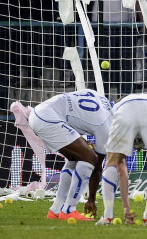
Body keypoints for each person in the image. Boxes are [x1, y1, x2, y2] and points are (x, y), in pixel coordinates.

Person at [28, 89, 112, 221]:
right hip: (49, 119)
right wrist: (91, 199)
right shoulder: (106, 125)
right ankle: (69, 209)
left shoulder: (98, 96)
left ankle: (56, 209)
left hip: (38, 112)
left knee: (75, 159)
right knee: (90, 158)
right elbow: (97, 166)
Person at [97, 93, 147, 226]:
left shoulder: (114, 113)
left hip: (125, 112)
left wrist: (126, 207)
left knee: (111, 161)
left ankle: (107, 217)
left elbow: (121, 168)